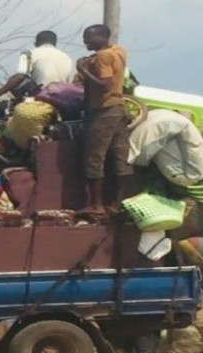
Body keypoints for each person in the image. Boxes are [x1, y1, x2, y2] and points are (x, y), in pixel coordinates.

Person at [75, 24, 131, 218]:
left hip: (103, 111)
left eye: (88, 38)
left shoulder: (102, 57)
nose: (85, 42)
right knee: (120, 156)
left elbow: (105, 84)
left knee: (94, 158)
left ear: (101, 37)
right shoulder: (119, 51)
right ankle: (119, 203)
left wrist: (83, 70)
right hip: (119, 109)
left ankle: (96, 205)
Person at [0, 30, 73, 107]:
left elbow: (20, 76)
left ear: (36, 43)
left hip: (40, 95)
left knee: (15, 79)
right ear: (55, 43)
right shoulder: (67, 58)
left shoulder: (29, 54)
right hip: (62, 97)